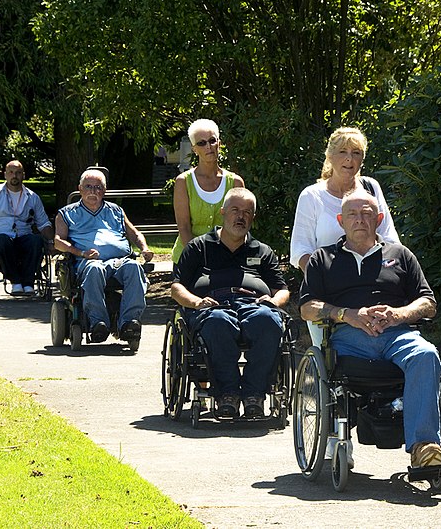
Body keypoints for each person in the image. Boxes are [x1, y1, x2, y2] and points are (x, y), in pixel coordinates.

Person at [299, 189, 441, 473]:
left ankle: (424, 447)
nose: (359, 220)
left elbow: (428, 302)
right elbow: (307, 308)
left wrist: (400, 314)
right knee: (338, 353)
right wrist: (346, 315)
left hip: (397, 336)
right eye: (352, 214)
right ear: (340, 221)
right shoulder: (322, 259)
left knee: (427, 355)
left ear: (378, 219)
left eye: (366, 214)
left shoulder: (400, 255)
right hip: (349, 340)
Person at [171, 187, 289, 419]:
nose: (241, 216)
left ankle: (254, 394)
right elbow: (177, 287)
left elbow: (282, 290)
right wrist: (196, 302)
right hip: (212, 305)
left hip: (254, 304)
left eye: (247, 212)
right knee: (217, 322)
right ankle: (228, 393)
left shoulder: (262, 251)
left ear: (252, 218)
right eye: (235, 210)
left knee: (268, 321)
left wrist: (274, 302)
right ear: (223, 213)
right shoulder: (199, 247)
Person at [54, 168, 154, 343]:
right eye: (88, 186)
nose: (93, 191)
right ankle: (98, 322)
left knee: (134, 267)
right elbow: (58, 242)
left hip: (120, 261)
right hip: (89, 261)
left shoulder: (116, 210)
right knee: (94, 269)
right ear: (80, 189)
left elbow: (134, 233)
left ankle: (129, 322)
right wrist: (81, 253)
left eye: (98, 187)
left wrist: (144, 248)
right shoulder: (66, 213)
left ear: (104, 190)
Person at [290, 126, 399, 273]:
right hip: (329, 283)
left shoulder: (371, 188)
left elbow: (389, 238)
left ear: (362, 158)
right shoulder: (311, 196)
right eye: (343, 152)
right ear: (330, 156)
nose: (349, 158)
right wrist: (321, 282)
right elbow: (301, 251)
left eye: (356, 153)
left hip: (373, 278)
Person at [0, 160, 53, 295]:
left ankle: (28, 284)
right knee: (3, 240)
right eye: (11, 172)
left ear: (23, 175)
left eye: (18, 173)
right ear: (5, 175)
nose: (14, 176)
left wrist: (50, 242)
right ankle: (15, 282)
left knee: (36, 240)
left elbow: (43, 223)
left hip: (22, 236)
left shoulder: (32, 197)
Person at [171, 119, 245, 265]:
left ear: (219, 143)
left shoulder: (235, 182)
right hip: (189, 257)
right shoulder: (183, 182)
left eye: (212, 140)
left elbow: (240, 224)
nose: (208, 147)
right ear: (194, 149)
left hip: (227, 258)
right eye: (201, 143)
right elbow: (184, 227)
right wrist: (198, 258)